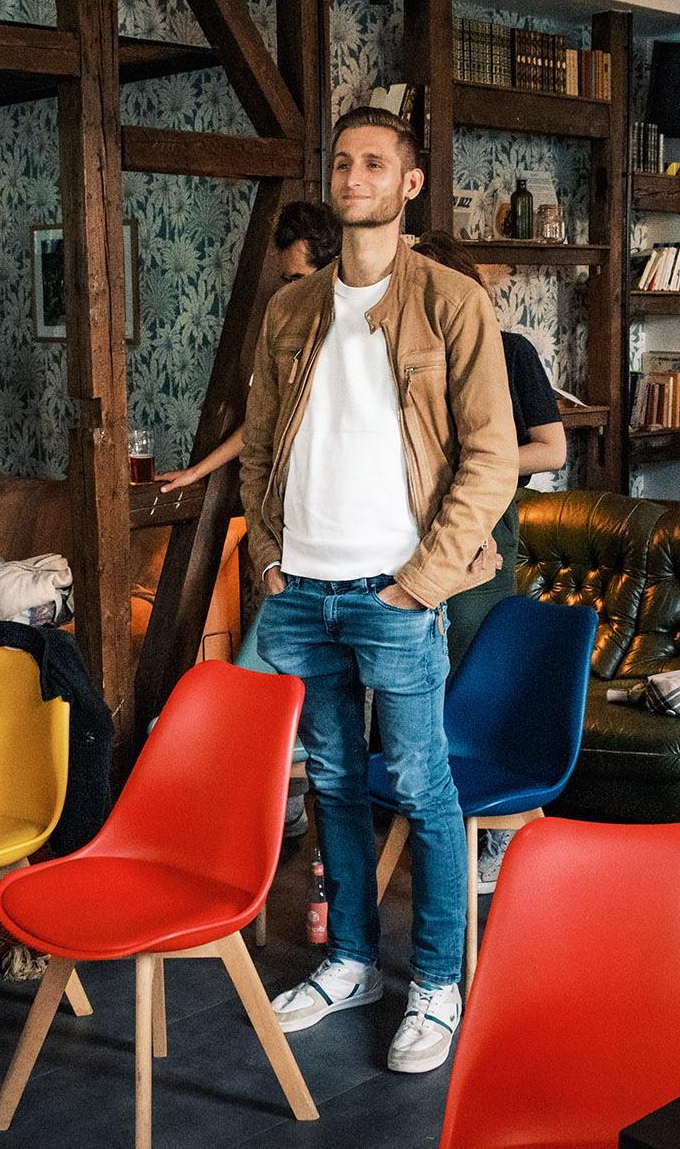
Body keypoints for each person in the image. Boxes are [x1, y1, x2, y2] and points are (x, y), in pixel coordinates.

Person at [244, 107, 516, 1073]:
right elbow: (260, 451)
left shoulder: (451, 302)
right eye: (341, 162)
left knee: (422, 787)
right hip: (302, 591)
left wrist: (420, 584)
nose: (353, 176)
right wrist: (268, 560)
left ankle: (436, 982)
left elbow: (492, 458)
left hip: (394, 591)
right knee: (332, 782)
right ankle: (352, 961)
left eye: (374, 162)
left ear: (409, 184)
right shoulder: (291, 309)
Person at [410, 229, 565, 896]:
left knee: (474, 674)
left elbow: (552, 450)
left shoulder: (509, 351)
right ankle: (434, 827)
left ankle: (496, 835)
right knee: (415, 679)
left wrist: (472, 467)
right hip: (410, 535)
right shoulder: (405, 359)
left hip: (484, 529)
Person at [157, 199, 341, 490]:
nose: (293, 292)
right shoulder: (285, 323)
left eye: (300, 279)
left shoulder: (358, 330)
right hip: (294, 489)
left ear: (333, 268)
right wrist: (196, 472)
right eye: (288, 281)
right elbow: (261, 418)